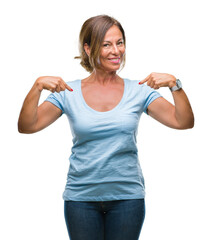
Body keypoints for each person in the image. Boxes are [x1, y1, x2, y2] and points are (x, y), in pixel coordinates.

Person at [18, 15, 194, 240]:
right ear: (88, 49)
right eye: (106, 44)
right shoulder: (67, 92)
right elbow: (27, 126)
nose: (116, 51)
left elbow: (183, 122)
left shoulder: (139, 90)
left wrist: (174, 85)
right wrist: (37, 87)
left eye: (120, 42)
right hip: (81, 199)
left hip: (127, 199)